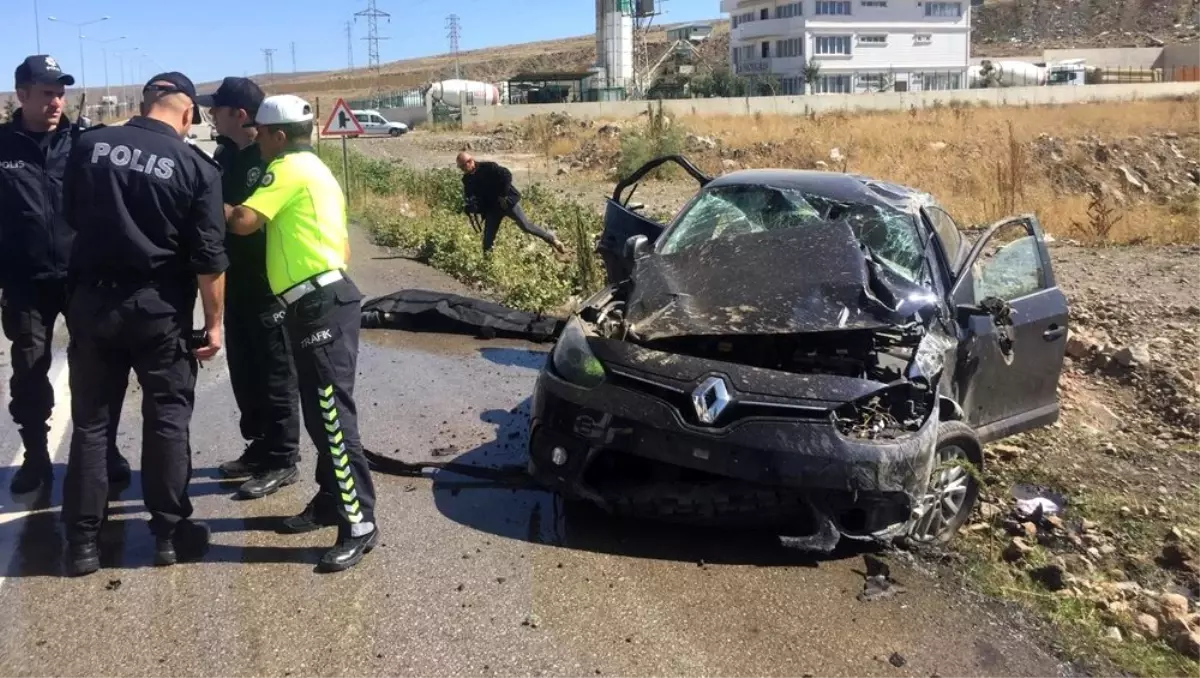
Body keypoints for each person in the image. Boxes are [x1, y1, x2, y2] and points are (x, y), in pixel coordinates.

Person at [60, 72, 227, 576]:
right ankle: (169, 535)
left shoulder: (88, 146)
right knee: (167, 420)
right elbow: (209, 258)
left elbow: (69, 215)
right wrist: (214, 323)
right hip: (159, 312)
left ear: (144, 102)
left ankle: (83, 544)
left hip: (93, 306)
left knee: (91, 425)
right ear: (187, 113)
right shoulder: (196, 167)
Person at [225, 94, 379, 573]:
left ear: (275, 135)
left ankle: (360, 524)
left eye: (260, 135)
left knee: (333, 420)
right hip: (317, 301)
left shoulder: (288, 168)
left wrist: (202, 192)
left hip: (319, 305)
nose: (257, 143)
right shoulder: (315, 167)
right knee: (320, 415)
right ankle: (332, 501)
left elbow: (244, 222)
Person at [0, 55, 131, 495]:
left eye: (60, 93)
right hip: (25, 281)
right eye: (46, 93)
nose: (56, 102)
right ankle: (36, 456)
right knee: (29, 370)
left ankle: (103, 450)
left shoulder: (83, 144)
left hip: (83, 277)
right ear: (21, 94)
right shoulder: (2, 146)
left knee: (97, 367)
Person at [196, 77, 301, 500]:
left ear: (239, 114)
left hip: (269, 281)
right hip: (233, 279)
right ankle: (258, 446)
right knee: (245, 370)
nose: (210, 115)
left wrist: (207, 208)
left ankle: (282, 458)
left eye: (216, 109)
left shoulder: (270, 160)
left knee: (275, 373)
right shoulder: (225, 155)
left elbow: (247, 219)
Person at [455, 151, 567, 255]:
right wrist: (471, 207)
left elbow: (507, 175)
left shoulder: (489, 167)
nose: (462, 169)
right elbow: (471, 196)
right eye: (460, 167)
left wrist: (503, 195)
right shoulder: (467, 180)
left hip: (506, 203)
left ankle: (553, 241)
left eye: (463, 166)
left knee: (525, 226)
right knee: (487, 241)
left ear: (470, 161)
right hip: (492, 210)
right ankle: (488, 266)